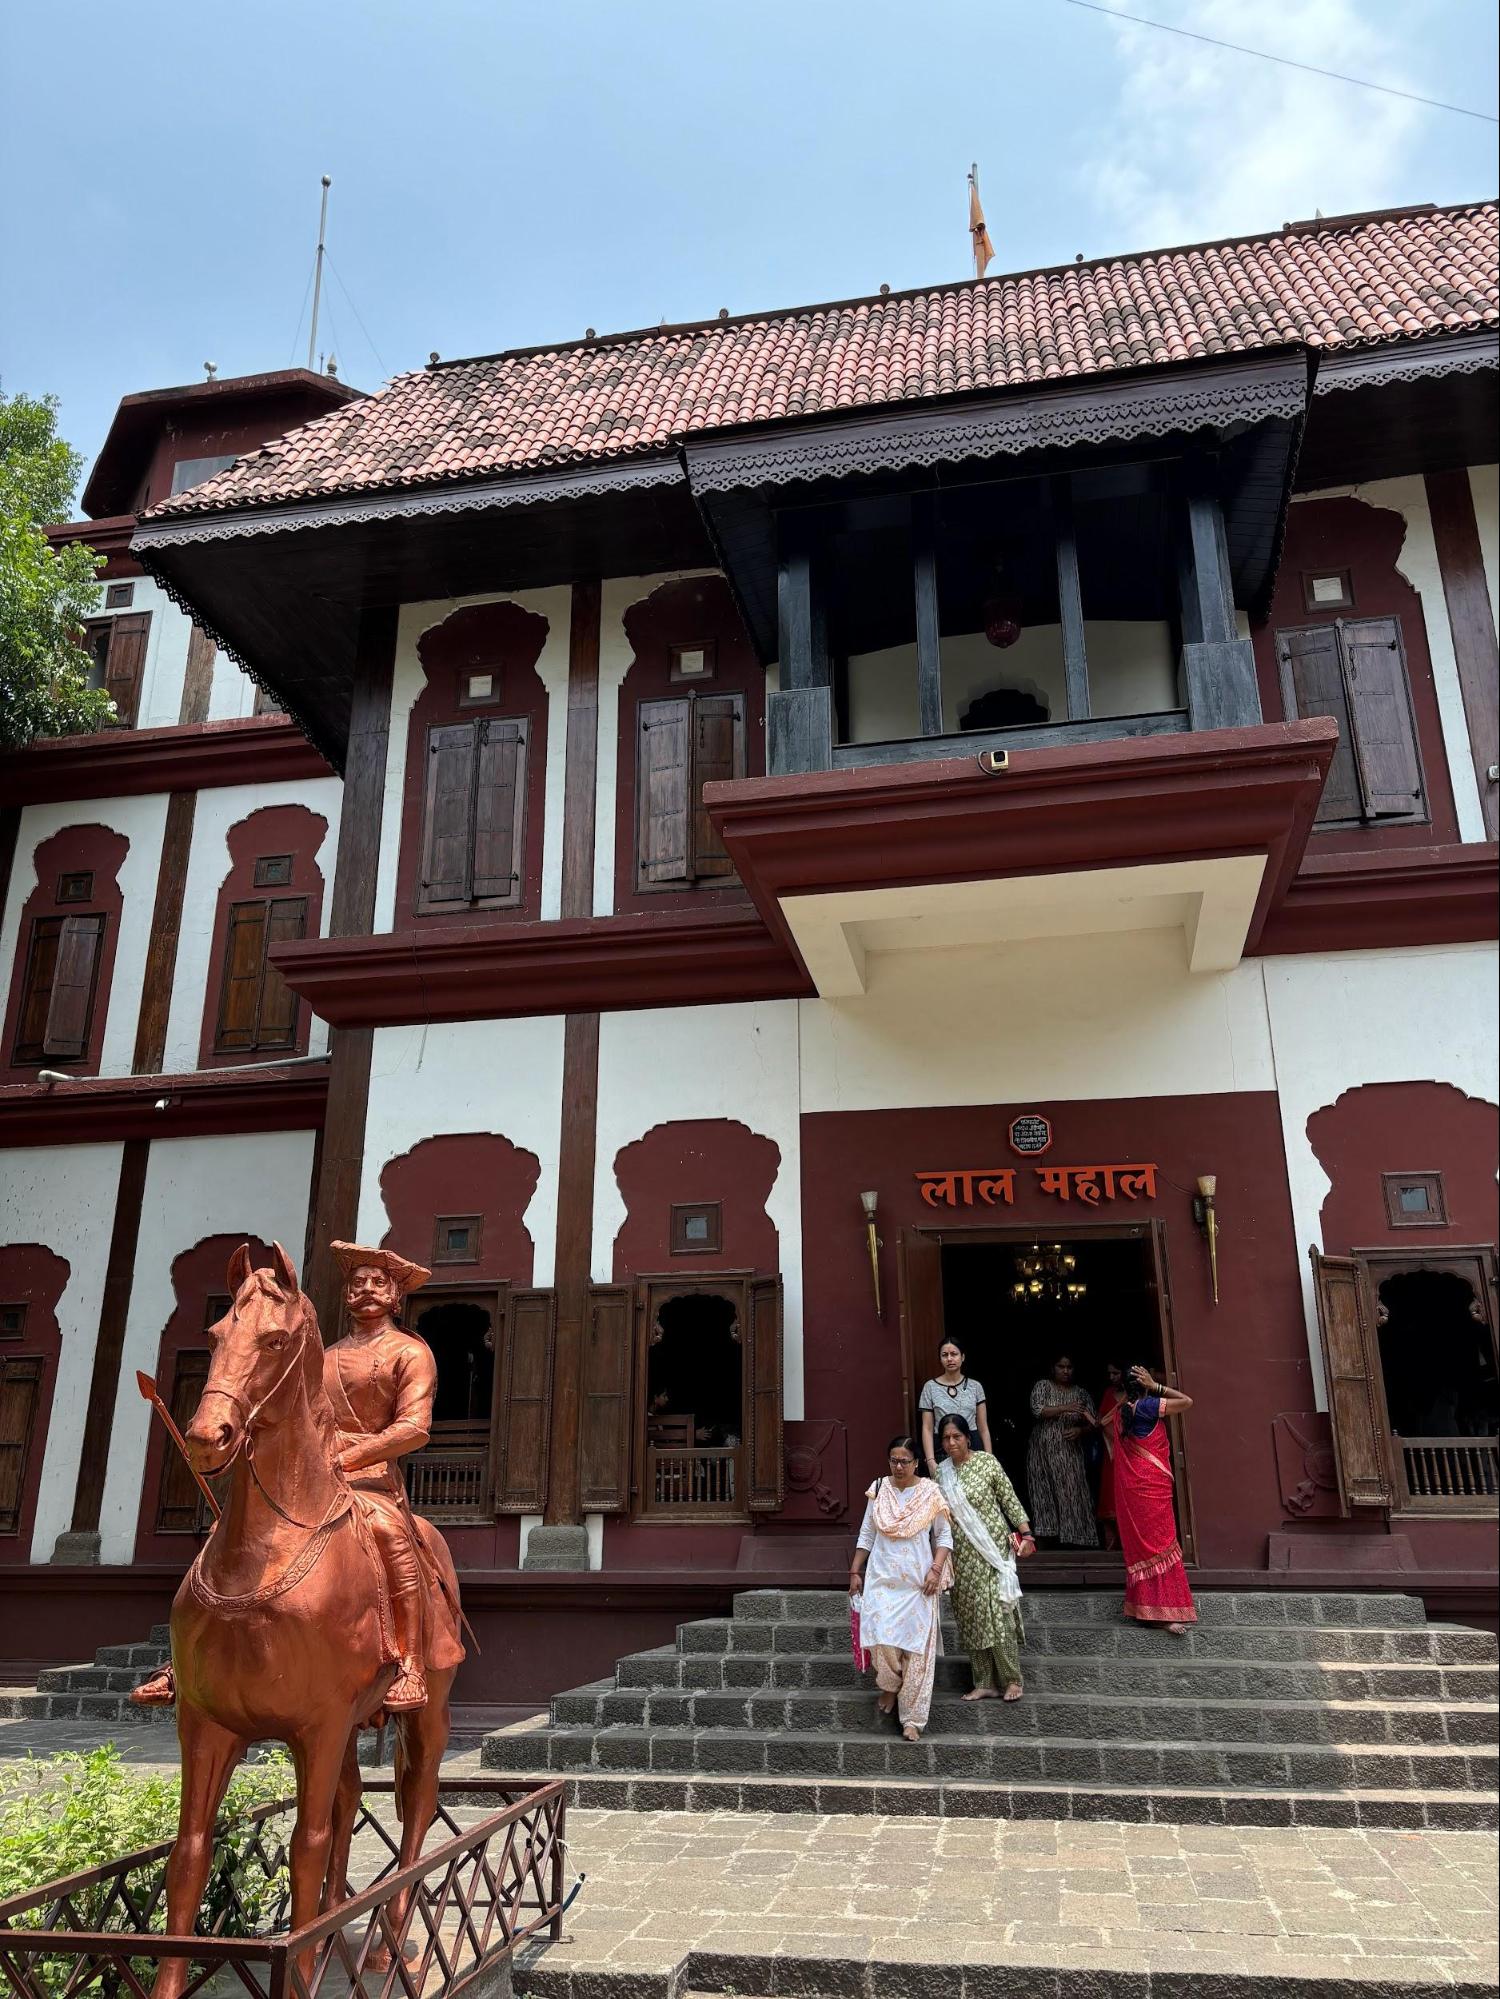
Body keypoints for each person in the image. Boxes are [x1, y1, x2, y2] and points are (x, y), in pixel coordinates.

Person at [131, 1240, 440, 1711]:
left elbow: (413, 1428)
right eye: (357, 1284)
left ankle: (410, 1664)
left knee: (391, 1535)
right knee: (227, 1532)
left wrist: (347, 1456)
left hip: (368, 1478)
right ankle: (182, 1661)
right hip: (305, 1478)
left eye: (379, 1283)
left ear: (396, 1296)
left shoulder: (409, 1353)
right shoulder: (323, 1352)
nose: (367, 1291)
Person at [848, 1435, 953, 1741]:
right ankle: (890, 1686)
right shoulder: (879, 1488)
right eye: (893, 1460)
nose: (898, 1466)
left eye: (904, 1461)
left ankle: (912, 1720)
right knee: (881, 1637)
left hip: (919, 1582)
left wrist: (936, 1570)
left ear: (916, 1462)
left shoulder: (931, 1492)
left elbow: (944, 1538)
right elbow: (867, 1534)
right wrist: (856, 1570)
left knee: (917, 1650)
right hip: (882, 1579)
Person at [935, 1413, 1035, 1702]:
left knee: (998, 1615)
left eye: (956, 1436)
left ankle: (1012, 1679)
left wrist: (1026, 1534)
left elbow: (1009, 1499)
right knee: (972, 1619)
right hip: (962, 1559)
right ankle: (984, 1682)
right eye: (946, 1438)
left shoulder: (987, 1463)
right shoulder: (941, 1474)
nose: (951, 1442)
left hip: (992, 1553)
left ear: (968, 1437)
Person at [1108, 1363, 1197, 1635]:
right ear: (1143, 1383)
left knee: (1148, 1548)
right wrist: (1156, 1386)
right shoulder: (1147, 1407)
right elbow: (1186, 1401)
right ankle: (1161, 1613)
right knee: (1161, 1546)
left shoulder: (1121, 1413)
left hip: (1136, 1490)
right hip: (1151, 1488)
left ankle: (1144, 1608)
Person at [1027, 1354, 1099, 1548]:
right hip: (1042, 1453)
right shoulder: (1043, 1386)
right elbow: (1037, 1410)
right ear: (1053, 1368)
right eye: (1061, 1366)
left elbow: (1096, 1423)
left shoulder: (1081, 1393)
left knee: (1073, 1493)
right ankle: (1047, 1539)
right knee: (1044, 1493)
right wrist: (1065, 1407)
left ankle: (1076, 1541)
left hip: (1070, 1453)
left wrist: (1080, 1430)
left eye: (1069, 1367)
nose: (1066, 1371)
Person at [919, 1340, 993, 1474]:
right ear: (940, 1358)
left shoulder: (975, 1387)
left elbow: (983, 1427)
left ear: (962, 1357)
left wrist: (989, 1459)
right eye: (944, 1355)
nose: (949, 1359)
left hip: (972, 1445)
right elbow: (927, 1427)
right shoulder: (930, 1387)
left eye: (954, 1354)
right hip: (942, 1447)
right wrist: (930, 1461)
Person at [1095, 1361, 1126, 1550]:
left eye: (1116, 1372)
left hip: (1130, 1452)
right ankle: (1112, 1545)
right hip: (1112, 1452)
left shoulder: (1135, 1395)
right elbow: (1102, 1420)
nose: (1112, 1377)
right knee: (1110, 1494)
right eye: (1109, 1373)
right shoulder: (1108, 1394)